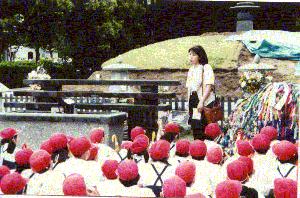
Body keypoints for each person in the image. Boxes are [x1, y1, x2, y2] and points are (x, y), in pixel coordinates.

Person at [186, 45, 216, 140]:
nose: (191, 57)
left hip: (204, 100)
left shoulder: (206, 67)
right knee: (195, 125)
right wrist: (189, 103)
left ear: (200, 56)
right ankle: (197, 147)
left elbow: (209, 85)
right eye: (189, 54)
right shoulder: (191, 69)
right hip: (193, 99)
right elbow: (189, 88)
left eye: (193, 55)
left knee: (204, 125)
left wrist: (202, 102)